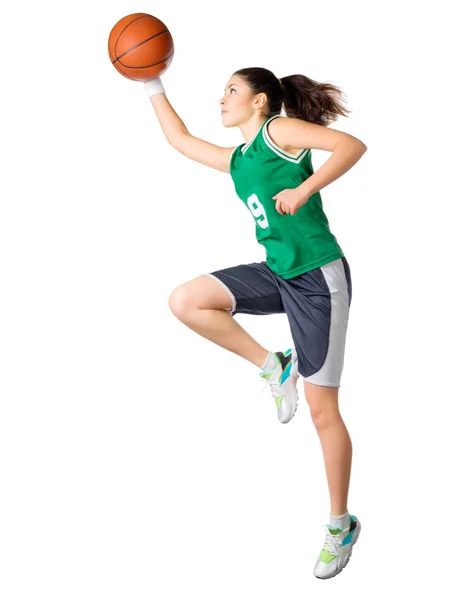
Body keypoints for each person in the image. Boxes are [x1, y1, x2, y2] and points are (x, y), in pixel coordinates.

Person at [143, 67, 367, 579]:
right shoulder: (240, 159)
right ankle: (273, 363)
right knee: (187, 301)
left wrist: (306, 188)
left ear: (260, 101)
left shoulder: (278, 133)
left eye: (231, 91)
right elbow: (179, 140)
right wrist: (149, 83)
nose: (221, 98)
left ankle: (341, 524)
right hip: (278, 271)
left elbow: (351, 145)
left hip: (316, 279)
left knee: (322, 411)